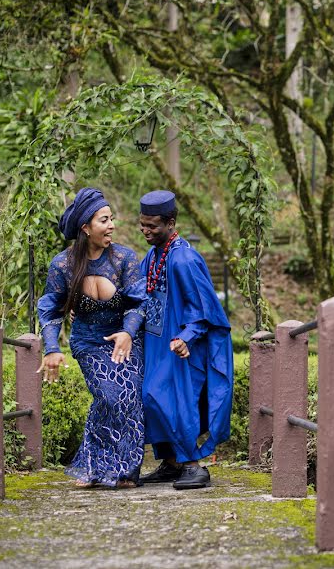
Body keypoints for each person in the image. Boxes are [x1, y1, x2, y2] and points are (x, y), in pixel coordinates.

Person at [37, 188, 147, 489]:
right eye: (104, 220)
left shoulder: (124, 258)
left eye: (111, 219)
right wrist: (51, 347)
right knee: (107, 395)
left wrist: (128, 332)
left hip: (125, 339)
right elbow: (49, 307)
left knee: (128, 396)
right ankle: (95, 465)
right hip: (88, 342)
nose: (111, 225)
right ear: (86, 227)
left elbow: (139, 302)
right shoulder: (63, 264)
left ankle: (123, 470)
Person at [137, 190, 234, 489]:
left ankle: (194, 465)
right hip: (155, 343)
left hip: (181, 347)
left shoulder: (185, 259)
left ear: (170, 222)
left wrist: (186, 338)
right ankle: (170, 463)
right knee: (150, 398)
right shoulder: (152, 256)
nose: (145, 230)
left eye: (152, 225)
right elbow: (140, 295)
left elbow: (203, 309)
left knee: (171, 400)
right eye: (142, 224)